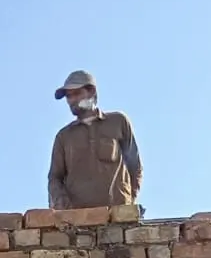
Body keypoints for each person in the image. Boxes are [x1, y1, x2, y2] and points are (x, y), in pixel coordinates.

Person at [48, 70, 142, 210]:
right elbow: (55, 178)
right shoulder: (64, 136)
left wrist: (127, 202)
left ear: (91, 92)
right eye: (68, 96)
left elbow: (135, 166)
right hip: (78, 222)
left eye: (77, 93)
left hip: (117, 217)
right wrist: (65, 210)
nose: (72, 100)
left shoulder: (118, 122)